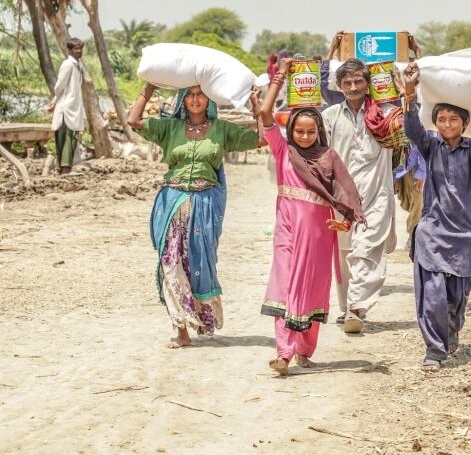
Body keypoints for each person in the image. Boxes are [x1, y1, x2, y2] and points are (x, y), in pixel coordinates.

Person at [128, 83, 263, 348]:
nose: (195, 99)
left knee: (199, 262)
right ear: (182, 100)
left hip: (204, 206)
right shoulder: (169, 128)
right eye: (189, 94)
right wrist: (148, 89)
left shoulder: (222, 130)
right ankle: (181, 330)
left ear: (210, 99)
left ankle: (201, 317)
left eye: (200, 94)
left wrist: (257, 107)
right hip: (172, 204)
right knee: (171, 263)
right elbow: (134, 120)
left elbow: (261, 139)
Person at [254, 58, 366, 375]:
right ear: (291, 131)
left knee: (312, 287)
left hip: (320, 230)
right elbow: (264, 114)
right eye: (299, 131)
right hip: (287, 231)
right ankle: (283, 352)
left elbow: (345, 192)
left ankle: (305, 350)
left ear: (319, 132)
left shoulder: (327, 157)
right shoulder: (282, 150)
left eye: (310, 132)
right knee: (285, 285)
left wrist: (344, 221)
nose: (304, 137)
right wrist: (280, 76)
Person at [402, 61, 471, 372]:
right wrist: (410, 92)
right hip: (433, 230)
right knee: (431, 292)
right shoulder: (430, 147)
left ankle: (451, 328)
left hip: (467, 231)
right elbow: (412, 129)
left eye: (453, 119)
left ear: (463, 123)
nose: (447, 124)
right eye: (442, 119)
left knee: (457, 296)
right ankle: (434, 349)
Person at [321, 59, 400, 333]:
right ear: (340, 86)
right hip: (342, 197)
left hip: (377, 193)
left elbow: (410, 128)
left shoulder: (388, 115)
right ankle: (348, 309)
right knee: (345, 254)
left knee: (366, 249)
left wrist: (407, 88)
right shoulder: (330, 116)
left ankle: (356, 307)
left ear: (368, 84)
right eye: (347, 83)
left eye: (358, 81)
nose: (353, 87)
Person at [48, 38, 87, 175]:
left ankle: (63, 170)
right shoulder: (68, 64)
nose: (79, 51)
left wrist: (54, 99)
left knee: (70, 139)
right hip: (66, 108)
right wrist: (55, 99)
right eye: (76, 49)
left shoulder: (78, 65)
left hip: (73, 107)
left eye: (80, 48)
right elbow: (60, 85)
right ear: (69, 50)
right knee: (66, 139)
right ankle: (64, 170)